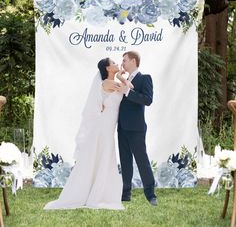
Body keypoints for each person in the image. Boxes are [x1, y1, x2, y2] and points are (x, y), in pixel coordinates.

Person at [44, 58, 132, 210]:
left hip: (109, 126)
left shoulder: (112, 82)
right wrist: (121, 76)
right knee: (102, 155)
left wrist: (120, 76)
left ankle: (99, 191)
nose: (117, 64)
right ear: (107, 68)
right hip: (103, 126)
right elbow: (128, 88)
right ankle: (91, 194)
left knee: (104, 156)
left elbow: (129, 88)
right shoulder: (106, 83)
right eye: (113, 63)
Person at [117, 51, 157, 206]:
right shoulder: (126, 80)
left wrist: (127, 91)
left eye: (125, 60)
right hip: (122, 128)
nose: (123, 63)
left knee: (142, 161)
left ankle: (150, 194)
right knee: (125, 161)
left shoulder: (145, 78)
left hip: (137, 128)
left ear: (133, 61)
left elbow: (147, 100)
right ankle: (125, 194)